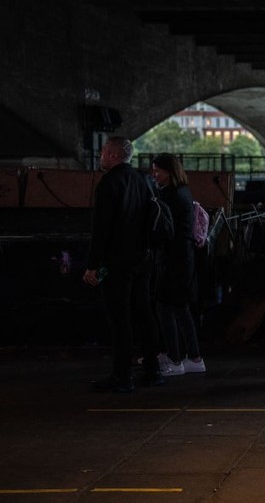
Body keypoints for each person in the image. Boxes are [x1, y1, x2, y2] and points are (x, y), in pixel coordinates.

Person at [83, 137, 163, 392]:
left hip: (117, 261)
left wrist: (93, 264)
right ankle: (153, 370)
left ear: (114, 155)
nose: (101, 156)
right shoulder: (144, 180)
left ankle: (122, 375)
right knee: (144, 314)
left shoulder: (109, 184)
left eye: (105, 152)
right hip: (143, 257)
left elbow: (101, 228)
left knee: (120, 318)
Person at [150, 153, 206, 376]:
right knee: (180, 308)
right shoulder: (182, 192)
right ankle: (193, 356)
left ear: (169, 172)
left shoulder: (169, 195)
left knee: (165, 306)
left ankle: (175, 359)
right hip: (184, 257)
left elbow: (163, 229)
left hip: (173, 259)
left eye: (158, 171)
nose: (154, 175)